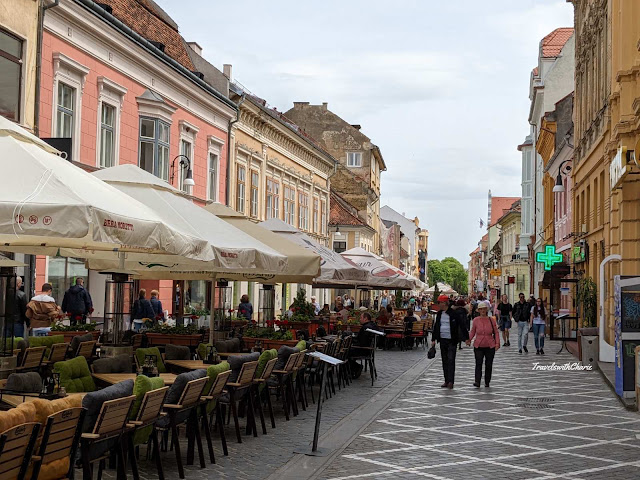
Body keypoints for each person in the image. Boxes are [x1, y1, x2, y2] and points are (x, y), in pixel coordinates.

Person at [431, 294, 469, 389]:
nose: (438, 304)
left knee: (451, 360)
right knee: (444, 360)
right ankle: (446, 380)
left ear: (444, 303)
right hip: (443, 339)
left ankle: (451, 381)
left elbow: (462, 325)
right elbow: (436, 327)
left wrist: (466, 338)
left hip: (452, 340)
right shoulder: (439, 314)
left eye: (439, 302)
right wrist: (433, 339)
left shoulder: (453, 313)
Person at [466, 301, 500, 387]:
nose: (483, 311)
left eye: (484, 309)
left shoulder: (491, 320)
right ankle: (477, 381)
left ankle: (487, 381)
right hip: (478, 345)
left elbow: (496, 332)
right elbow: (473, 331)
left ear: (486, 309)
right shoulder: (476, 320)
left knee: (488, 364)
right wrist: (468, 339)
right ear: (478, 310)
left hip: (490, 345)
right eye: (481, 309)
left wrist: (497, 343)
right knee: (478, 363)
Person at [348, 312, 380, 378]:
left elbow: (362, 342)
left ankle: (356, 368)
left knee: (345, 352)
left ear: (365, 319)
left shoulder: (366, 328)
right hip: (368, 349)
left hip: (364, 349)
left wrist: (352, 341)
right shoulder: (373, 326)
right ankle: (352, 369)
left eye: (361, 318)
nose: (360, 319)